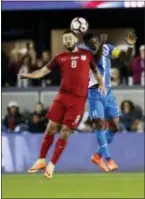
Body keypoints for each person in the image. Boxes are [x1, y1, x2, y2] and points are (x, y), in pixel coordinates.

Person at [19, 30, 106, 179]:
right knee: (51, 127)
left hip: (78, 100)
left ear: (75, 39)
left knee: (66, 131)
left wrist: (101, 83)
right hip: (62, 96)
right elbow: (43, 71)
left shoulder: (87, 55)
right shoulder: (60, 57)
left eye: (69, 38)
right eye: (64, 39)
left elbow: (96, 71)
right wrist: (30, 75)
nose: (66, 41)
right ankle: (41, 160)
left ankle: (51, 165)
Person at [80, 32, 136, 171]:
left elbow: (125, 57)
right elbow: (97, 56)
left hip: (108, 92)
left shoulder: (107, 47)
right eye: (92, 41)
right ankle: (109, 159)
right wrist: (103, 40)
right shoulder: (86, 54)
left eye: (96, 40)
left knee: (114, 126)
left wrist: (129, 45)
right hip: (94, 92)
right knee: (99, 124)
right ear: (87, 44)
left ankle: (98, 155)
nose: (95, 43)